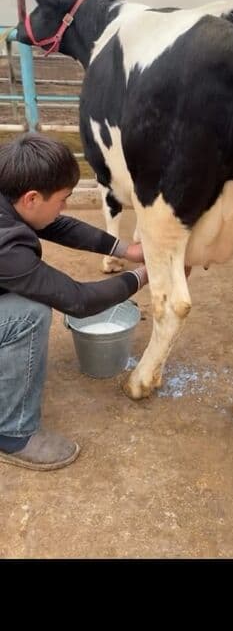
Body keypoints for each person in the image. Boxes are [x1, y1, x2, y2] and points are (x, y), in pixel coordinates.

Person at [0, 133, 148, 471]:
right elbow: (78, 300)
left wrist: (126, 250)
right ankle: (12, 432)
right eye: (63, 199)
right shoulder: (6, 246)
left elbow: (58, 226)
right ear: (32, 198)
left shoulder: (10, 195)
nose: (65, 207)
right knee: (28, 312)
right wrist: (144, 275)